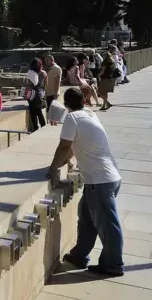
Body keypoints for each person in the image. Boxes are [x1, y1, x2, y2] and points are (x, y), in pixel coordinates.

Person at [48, 87, 124, 277]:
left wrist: (53, 167)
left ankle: (113, 265)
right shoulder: (89, 114)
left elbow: (65, 145)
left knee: (108, 226)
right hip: (106, 178)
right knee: (86, 218)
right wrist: (69, 160)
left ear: (66, 105)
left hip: (100, 181)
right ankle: (79, 255)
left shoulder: (72, 118)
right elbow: (77, 143)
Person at [26, 58, 47, 132]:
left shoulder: (30, 73)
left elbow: (29, 84)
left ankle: (35, 127)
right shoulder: (44, 73)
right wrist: (42, 90)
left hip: (32, 94)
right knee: (39, 112)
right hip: (40, 93)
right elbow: (45, 84)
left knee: (32, 112)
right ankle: (44, 126)